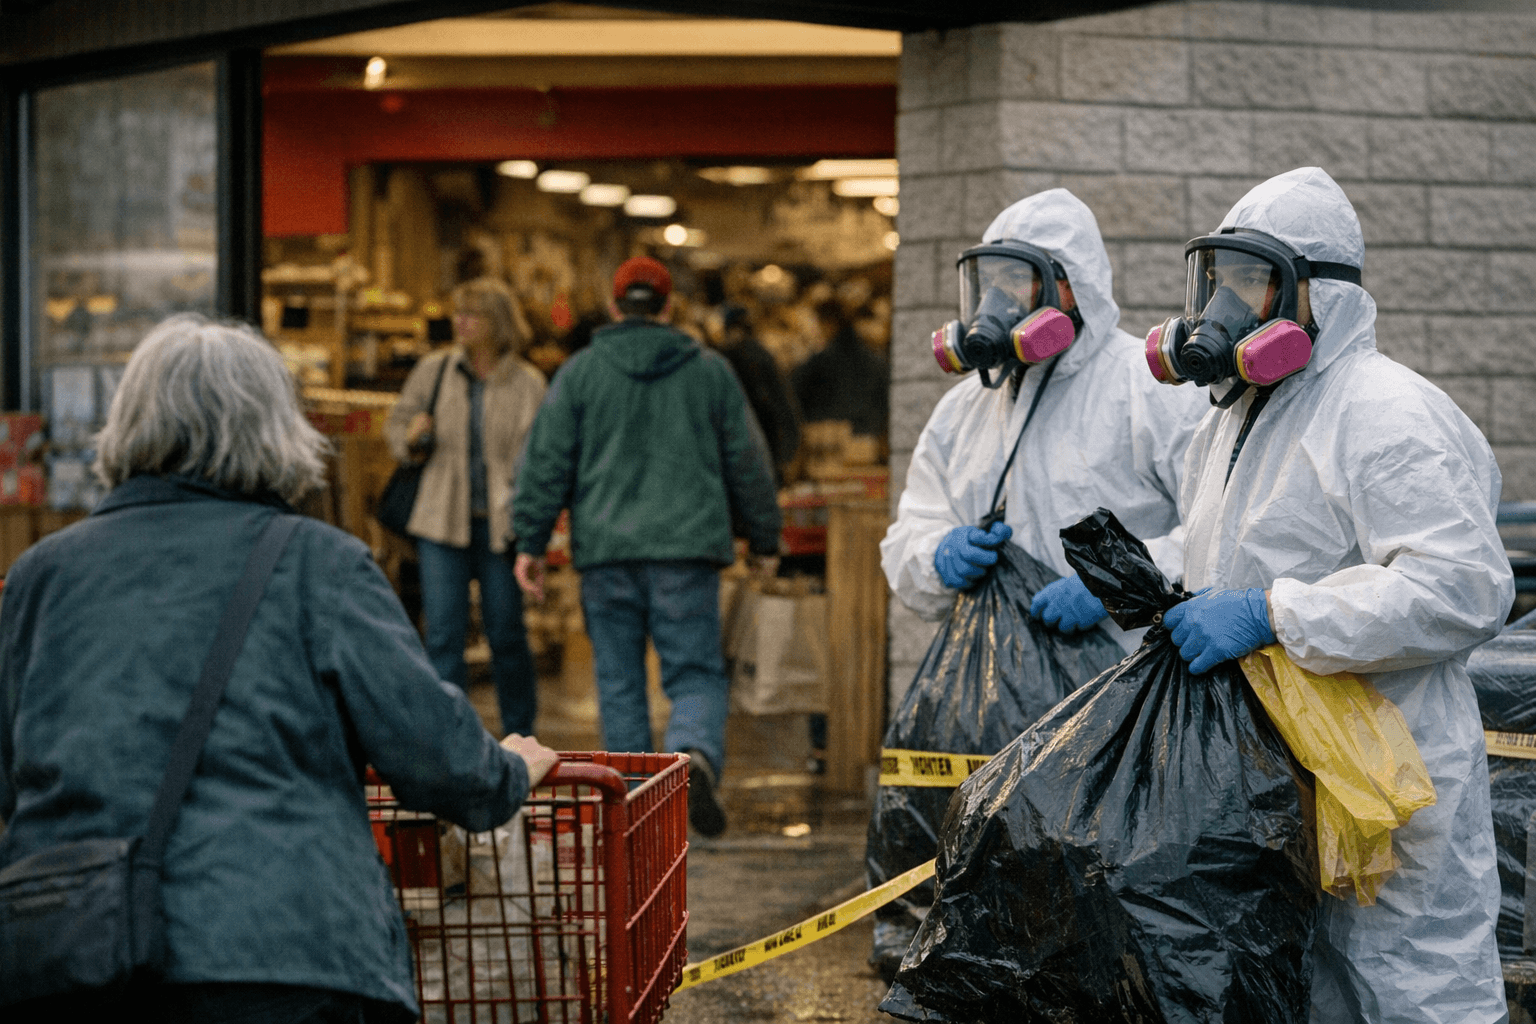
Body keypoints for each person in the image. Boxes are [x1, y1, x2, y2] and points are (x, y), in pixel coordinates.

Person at [0, 314, 558, 1020]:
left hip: (78, 955)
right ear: (276, 428)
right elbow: (433, 755)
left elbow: (12, 775)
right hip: (287, 952)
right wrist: (505, 772)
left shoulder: (39, 577)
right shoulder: (321, 565)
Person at [1156, 167, 1513, 1024]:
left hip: (1392, 774)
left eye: (1253, 282)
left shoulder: (1386, 413)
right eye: (1219, 282)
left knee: (1412, 988)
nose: (1226, 309)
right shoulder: (1236, 414)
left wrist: (1271, 614)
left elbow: (1462, 587)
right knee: (1304, 987)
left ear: (1319, 296)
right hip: (1282, 771)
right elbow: (1230, 546)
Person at [511, 257, 781, 839]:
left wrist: (530, 541)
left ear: (614, 308)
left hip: (606, 552)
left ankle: (633, 800)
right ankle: (692, 758)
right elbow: (748, 459)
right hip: (687, 551)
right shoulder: (709, 371)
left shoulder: (580, 374)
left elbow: (545, 463)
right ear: (668, 308)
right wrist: (764, 538)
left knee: (618, 678)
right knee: (694, 673)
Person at [882, 188, 1209, 654]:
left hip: (1125, 693)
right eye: (987, 281)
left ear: (1072, 287)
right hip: (1000, 691)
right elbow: (913, 528)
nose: (995, 300)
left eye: (1016, 279)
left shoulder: (1150, 389)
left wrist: (1120, 581)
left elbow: (1218, 537)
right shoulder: (963, 410)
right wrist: (935, 554)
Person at [385, 277, 546, 737]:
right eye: (458, 313)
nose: (460, 322)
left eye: (471, 314)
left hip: (499, 525)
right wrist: (410, 436)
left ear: (496, 323)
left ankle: (520, 734)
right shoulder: (434, 369)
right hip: (441, 518)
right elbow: (397, 426)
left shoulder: (527, 383)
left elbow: (536, 451)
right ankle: (448, 736)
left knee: (506, 633)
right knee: (443, 634)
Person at [717, 304, 801, 481]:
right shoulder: (764, 355)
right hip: (769, 448)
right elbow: (784, 406)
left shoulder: (728, 358)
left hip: (743, 448)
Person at [791, 298, 889, 438]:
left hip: (828, 439)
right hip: (868, 437)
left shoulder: (820, 362)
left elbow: (795, 393)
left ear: (828, 323)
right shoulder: (875, 360)